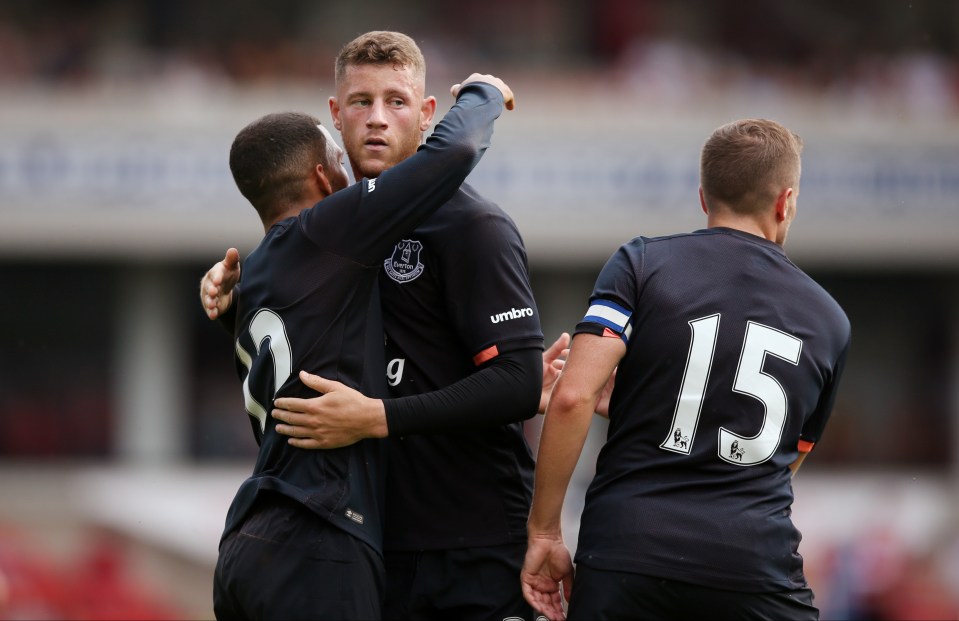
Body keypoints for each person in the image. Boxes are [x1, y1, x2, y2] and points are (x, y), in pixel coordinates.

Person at [202, 31, 550, 621]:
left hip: (467, 546)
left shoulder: (475, 227)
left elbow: (517, 383)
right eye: (361, 102)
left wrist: (379, 417)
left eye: (397, 101)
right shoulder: (324, 239)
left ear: (428, 114)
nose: (378, 120)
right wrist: (228, 306)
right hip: (366, 542)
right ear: (334, 117)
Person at [521, 118, 851, 621]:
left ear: (704, 197)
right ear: (785, 202)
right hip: (751, 566)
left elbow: (571, 397)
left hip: (628, 552)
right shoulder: (830, 319)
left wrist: (544, 531)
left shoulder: (641, 263)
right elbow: (787, 455)